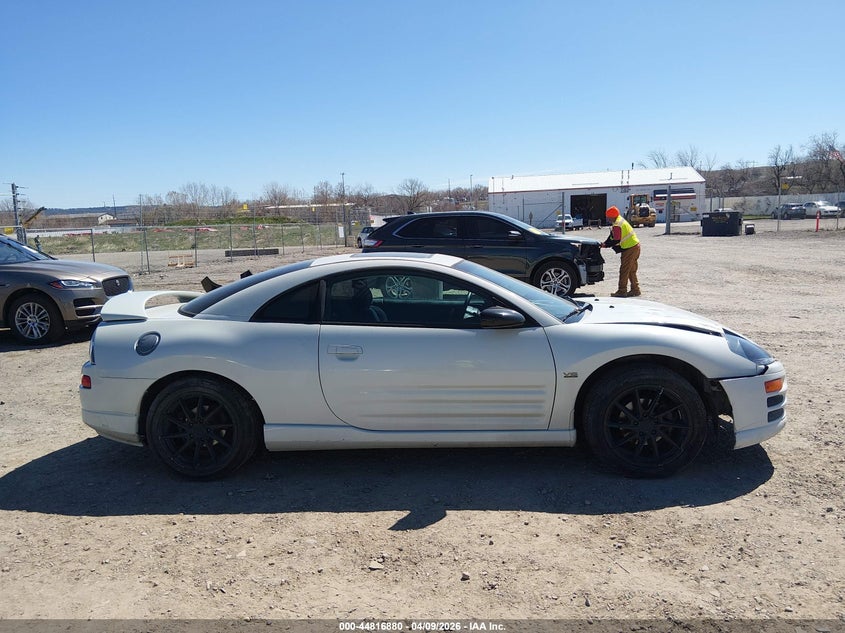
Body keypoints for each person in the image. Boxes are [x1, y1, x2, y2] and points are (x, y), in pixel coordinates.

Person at [600, 206, 641, 297]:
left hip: (629, 248)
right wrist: (605, 243)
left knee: (624, 270)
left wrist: (606, 245)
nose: (607, 219)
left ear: (612, 216)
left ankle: (622, 291)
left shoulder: (617, 224)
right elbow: (612, 236)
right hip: (635, 246)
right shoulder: (619, 221)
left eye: (608, 217)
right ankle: (635, 289)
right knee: (631, 270)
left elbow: (616, 240)